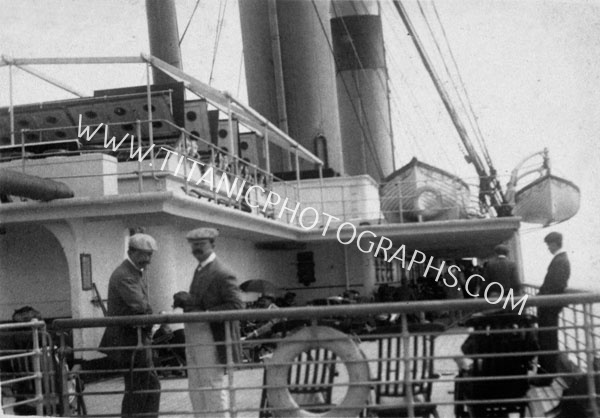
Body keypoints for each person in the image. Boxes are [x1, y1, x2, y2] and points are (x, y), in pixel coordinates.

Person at [173, 227, 243, 418]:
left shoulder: (221, 272)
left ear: (212, 245)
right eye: (194, 245)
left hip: (210, 335)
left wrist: (205, 313)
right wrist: (188, 300)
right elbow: (205, 298)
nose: (197, 249)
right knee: (196, 387)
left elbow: (236, 306)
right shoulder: (201, 268)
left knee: (212, 385)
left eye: (201, 244)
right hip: (197, 334)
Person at [99, 233, 160, 418]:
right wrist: (154, 317)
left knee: (146, 387)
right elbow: (140, 306)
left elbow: (142, 306)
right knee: (140, 388)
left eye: (150, 255)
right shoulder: (125, 275)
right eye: (144, 255)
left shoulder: (132, 273)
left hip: (136, 339)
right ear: (130, 252)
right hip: (131, 341)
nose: (148, 260)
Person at [536, 231, 570, 382]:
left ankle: (546, 375)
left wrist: (540, 298)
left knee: (548, 340)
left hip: (549, 307)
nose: (548, 248)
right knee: (547, 339)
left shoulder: (560, 260)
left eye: (549, 244)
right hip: (549, 306)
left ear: (555, 243)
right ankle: (545, 373)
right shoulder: (560, 259)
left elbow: (556, 285)